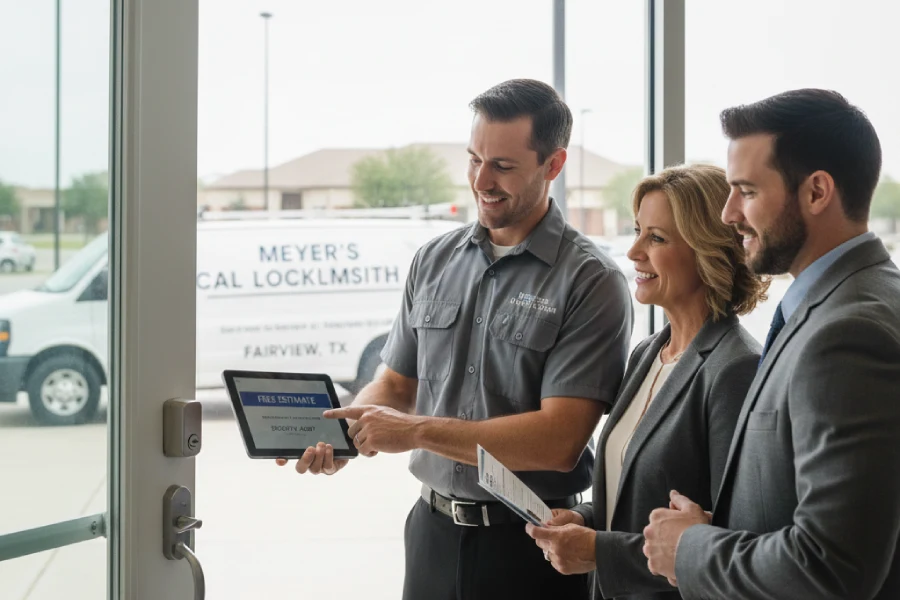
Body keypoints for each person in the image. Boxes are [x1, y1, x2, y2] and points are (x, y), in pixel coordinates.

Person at [278, 78, 633, 600]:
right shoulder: (433, 260)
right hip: (431, 535)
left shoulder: (590, 280)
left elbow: (560, 442)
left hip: (535, 546)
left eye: (503, 166)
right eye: (474, 160)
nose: (481, 180)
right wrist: (346, 431)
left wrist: (416, 432)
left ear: (553, 165)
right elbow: (395, 385)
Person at [643, 89, 900, 599]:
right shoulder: (847, 302)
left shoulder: (849, 334)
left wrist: (691, 549)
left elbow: (831, 568)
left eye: (747, 191)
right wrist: (719, 530)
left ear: (817, 191)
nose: (728, 213)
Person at [525, 164, 768, 600]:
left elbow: (730, 543)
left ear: (707, 251)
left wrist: (600, 551)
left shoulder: (736, 369)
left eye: (656, 238)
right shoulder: (648, 352)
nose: (634, 251)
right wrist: (584, 519)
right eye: (638, 231)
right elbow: (632, 487)